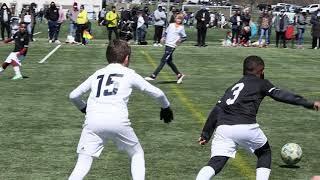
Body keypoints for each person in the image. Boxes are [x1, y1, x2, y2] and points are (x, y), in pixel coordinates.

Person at [195, 55, 320, 180]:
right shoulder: (262, 83)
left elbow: (217, 109)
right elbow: (280, 95)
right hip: (245, 126)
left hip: (223, 129)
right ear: (261, 71)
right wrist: (309, 103)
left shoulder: (233, 87)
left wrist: (206, 134)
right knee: (264, 153)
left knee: (216, 162)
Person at [68, 39, 173, 180]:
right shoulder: (129, 73)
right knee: (136, 154)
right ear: (127, 58)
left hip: (92, 122)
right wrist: (165, 107)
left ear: (108, 57)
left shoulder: (98, 73)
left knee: (83, 162)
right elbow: (158, 93)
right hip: (117, 120)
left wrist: (84, 108)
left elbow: (73, 95)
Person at [144, 14, 186, 84]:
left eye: (180, 19)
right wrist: (163, 37)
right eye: (177, 19)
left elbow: (184, 37)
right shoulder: (171, 25)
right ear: (175, 19)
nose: (178, 20)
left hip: (172, 46)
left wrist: (180, 40)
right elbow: (166, 33)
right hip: (167, 44)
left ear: (182, 20)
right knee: (169, 61)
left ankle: (153, 76)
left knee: (163, 60)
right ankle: (179, 75)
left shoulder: (181, 28)